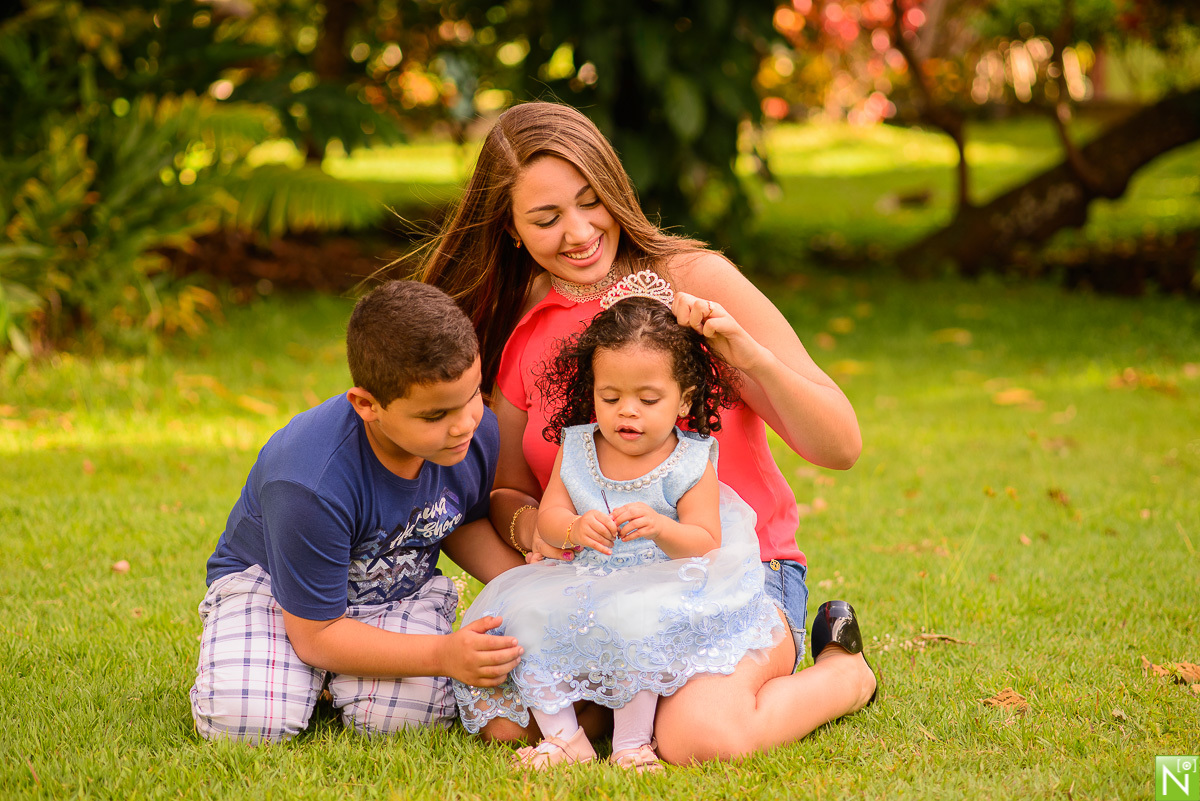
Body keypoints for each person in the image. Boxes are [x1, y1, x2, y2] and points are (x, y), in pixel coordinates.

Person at [419, 101, 877, 763]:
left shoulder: (696, 280)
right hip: (605, 584)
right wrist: (538, 533)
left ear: (615, 188)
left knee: (697, 738)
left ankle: (844, 672)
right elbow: (508, 491)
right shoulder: (523, 337)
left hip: (738, 571)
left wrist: (744, 354)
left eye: (590, 201)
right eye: (547, 219)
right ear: (513, 231)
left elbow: (841, 445)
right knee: (509, 722)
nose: (577, 232)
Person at [454, 288, 786, 771]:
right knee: (523, 623)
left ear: (682, 400)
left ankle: (632, 742)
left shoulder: (689, 459)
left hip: (666, 579)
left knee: (637, 624)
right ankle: (566, 739)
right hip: (588, 577)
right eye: (610, 397)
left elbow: (704, 539)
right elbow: (549, 518)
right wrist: (572, 526)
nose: (626, 411)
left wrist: (659, 529)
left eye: (647, 399)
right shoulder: (579, 447)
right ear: (593, 393)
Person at [190, 281, 526, 743]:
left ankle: (334, 681)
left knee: (409, 720)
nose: (465, 423)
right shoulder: (310, 482)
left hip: (392, 591)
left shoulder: (472, 433)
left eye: (472, 396)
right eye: (435, 415)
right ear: (367, 405)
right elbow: (317, 634)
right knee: (246, 723)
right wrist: (443, 655)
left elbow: (458, 521)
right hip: (279, 590)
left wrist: (530, 582)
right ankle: (289, 675)